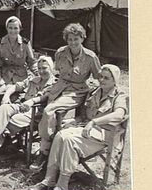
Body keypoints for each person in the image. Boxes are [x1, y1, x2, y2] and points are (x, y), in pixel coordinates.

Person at [28, 64, 128, 190]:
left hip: (106, 134)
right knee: (60, 135)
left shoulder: (120, 95)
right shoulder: (94, 92)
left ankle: (62, 185)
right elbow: (84, 115)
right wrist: (73, 121)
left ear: (115, 80)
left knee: (69, 140)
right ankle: (49, 179)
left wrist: (93, 122)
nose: (101, 80)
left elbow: (119, 115)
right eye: (100, 77)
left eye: (106, 78)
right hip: (87, 130)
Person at [30, 23, 101, 171]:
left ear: (82, 38)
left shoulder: (90, 57)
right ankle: (52, 146)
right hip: (59, 87)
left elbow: (98, 78)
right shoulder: (60, 52)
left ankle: (44, 150)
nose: (73, 42)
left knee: (50, 109)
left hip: (76, 91)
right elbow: (57, 72)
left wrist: (93, 94)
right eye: (69, 39)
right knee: (44, 107)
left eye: (76, 39)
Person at [0, 56, 58, 161]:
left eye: (45, 68)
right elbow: (15, 86)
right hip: (22, 106)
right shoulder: (34, 79)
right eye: (40, 68)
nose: (41, 71)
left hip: (37, 113)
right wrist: (6, 96)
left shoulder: (55, 83)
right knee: (4, 108)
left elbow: (44, 97)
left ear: (51, 68)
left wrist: (32, 102)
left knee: (12, 120)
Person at [0, 16, 38, 86]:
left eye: (16, 28)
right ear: (7, 28)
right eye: (10, 28)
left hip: (21, 79)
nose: (13, 31)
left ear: (20, 29)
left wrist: (39, 73)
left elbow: (32, 62)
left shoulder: (25, 43)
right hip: (5, 78)